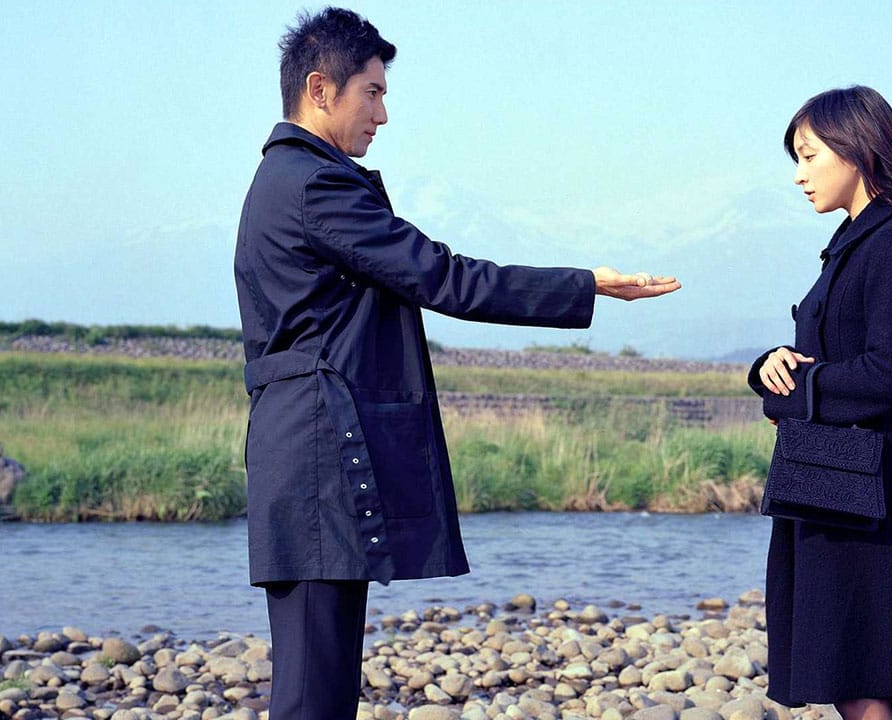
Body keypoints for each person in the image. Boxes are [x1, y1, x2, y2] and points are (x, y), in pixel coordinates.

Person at [233, 8, 679, 719]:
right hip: (316, 463)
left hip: (300, 456)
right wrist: (585, 284)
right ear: (321, 89)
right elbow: (442, 276)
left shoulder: (285, 180)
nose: (383, 113)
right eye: (372, 92)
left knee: (314, 690)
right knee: (312, 700)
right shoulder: (316, 185)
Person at [747, 86, 892, 718]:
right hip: (827, 480)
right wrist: (769, 368)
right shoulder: (853, 242)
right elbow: (829, 353)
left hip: (862, 493)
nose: (799, 174)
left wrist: (796, 391)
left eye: (808, 155)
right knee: (847, 675)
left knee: (859, 678)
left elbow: (890, 375)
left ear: (855, 147)